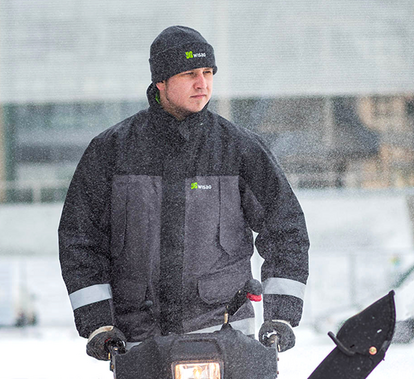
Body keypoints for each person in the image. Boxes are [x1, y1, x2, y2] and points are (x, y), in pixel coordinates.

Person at [59, 26, 310, 358]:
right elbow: (80, 238)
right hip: (139, 346)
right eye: (190, 73)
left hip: (226, 340)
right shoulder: (111, 151)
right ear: (161, 82)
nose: (202, 83)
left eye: (208, 72)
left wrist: (280, 316)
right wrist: (99, 324)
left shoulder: (239, 149)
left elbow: (285, 229)